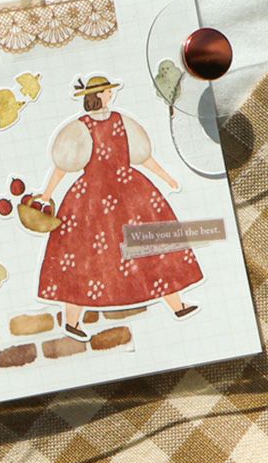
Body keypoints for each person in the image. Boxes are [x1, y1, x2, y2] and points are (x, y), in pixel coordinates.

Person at [37, 75, 202, 340]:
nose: (110, 95)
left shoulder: (123, 122)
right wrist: (46, 194)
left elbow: (143, 157)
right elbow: (63, 166)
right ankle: (72, 322)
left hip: (129, 191)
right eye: (107, 92)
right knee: (81, 257)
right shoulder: (79, 129)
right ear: (98, 95)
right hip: (91, 198)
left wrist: (167, 178)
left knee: (155, 247)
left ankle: (177, 305)